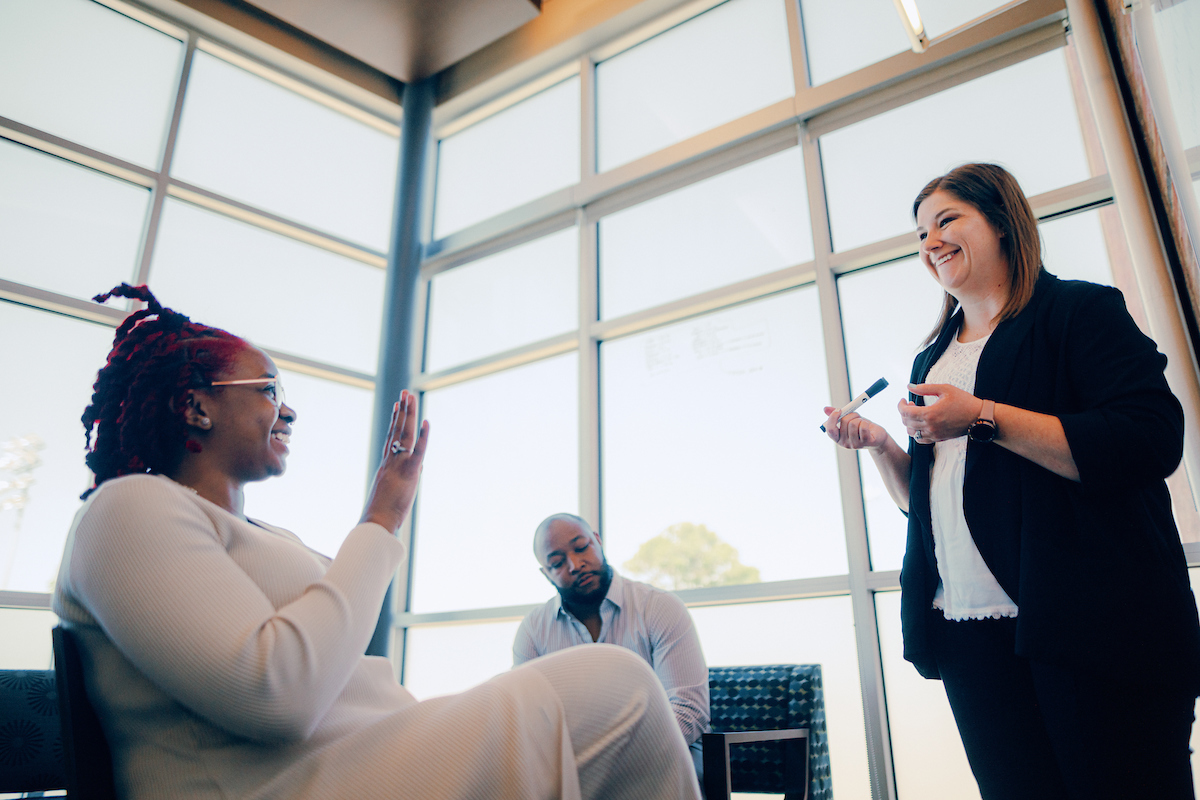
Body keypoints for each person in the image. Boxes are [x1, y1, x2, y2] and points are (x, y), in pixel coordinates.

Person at [52, 284, 701, 800]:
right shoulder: (128, 507)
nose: (290, 410)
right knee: (617, 687)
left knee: (617, 694)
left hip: (368, 754)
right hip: (296, 783)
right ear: (197, 407)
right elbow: (274, 690)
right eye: (270, 389)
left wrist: (381, 515)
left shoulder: (241, 532)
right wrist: (382, 515)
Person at [822, 164, 1200, 799]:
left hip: (1089, 627)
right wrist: (884, 447)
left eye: (947, 220)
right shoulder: (932, 356)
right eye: (919, 233)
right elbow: (931, 508)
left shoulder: (1079, 312)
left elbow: (1149, 439)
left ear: (1000, 222)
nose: (930, 242)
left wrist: (980, 416)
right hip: (972, 632)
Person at [514, 513, 710, 781]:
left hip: (665, 754)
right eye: (558, 563)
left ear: (597, 541)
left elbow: (689, 711)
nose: (575, 564)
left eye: (582, 548)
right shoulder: (534, 631)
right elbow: (528, 718)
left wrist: (609, 756)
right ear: (545, 574)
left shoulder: (659, 608)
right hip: (577, 766)